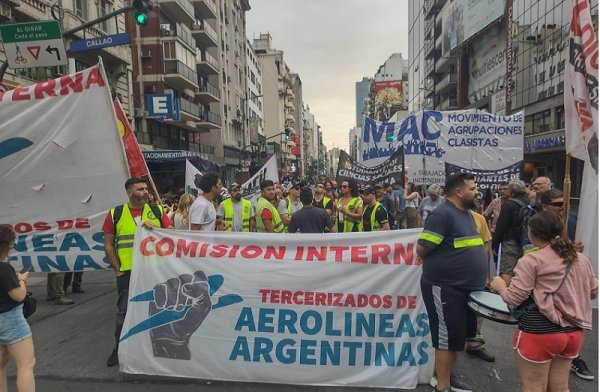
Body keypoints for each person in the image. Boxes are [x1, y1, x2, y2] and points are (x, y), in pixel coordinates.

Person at [491, 211, 598, 392]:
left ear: (532, 233)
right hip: (574, 332)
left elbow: (514, 298)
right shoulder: (581, 258)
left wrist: (501, 286)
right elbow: (594, 292)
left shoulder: (531, 260)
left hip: (540, 331)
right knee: (561, 387)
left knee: (534, 387)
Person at [417, 173, 487, 392]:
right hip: (445, 287)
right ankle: (443, 385)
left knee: (457, 337)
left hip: (464, 288)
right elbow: (422, 249)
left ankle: (447, 376)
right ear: (459, 191)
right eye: (472, 188)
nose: (477, 192)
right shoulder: (442, 215)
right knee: (446, 338)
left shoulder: (467, 214)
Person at [103, 177, 171, 367]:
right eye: (140, 189)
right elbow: (108, 245)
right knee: (123, 313)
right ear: (129, 192)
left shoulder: (157, 211)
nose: (145, 192)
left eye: (146, 188)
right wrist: (117, 269)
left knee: (156, 309)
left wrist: (157, 228)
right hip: (127, 273)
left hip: (154, 270)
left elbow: (172, 234)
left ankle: (154, 348)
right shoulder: (116, 213)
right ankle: (119, 349)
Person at [539, 189, 594, 380]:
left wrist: (574, 251)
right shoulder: (536, 223)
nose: (562, 207)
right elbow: (530, 252)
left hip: (569, 283)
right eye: (557, 204)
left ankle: (574, 359)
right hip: (547, 285)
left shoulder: (572, 219)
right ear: (545, 206)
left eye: (564, 203)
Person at [0, 226, 36, 392]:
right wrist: (21, 280)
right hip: (10, 320)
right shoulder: (4, 268)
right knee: (26, 364)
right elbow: (19, 296)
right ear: (5, 246)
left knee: (1, 365)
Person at [465, 207, 496, 363]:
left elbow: (486, 248)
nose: (475, 193)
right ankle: (450, 347)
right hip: (453, 276)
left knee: (477, 309)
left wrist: (486, 275)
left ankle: (474, 345)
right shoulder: (444, 217)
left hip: (476, 275)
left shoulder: (480, 219)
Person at [492, 179, 530, 286]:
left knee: (507, 269)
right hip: (527, 241)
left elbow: (501, 226)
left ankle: (505, 295)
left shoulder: (509, 204)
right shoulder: (531, 203)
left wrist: (495, 244)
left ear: (511, 191)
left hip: (510, 242)